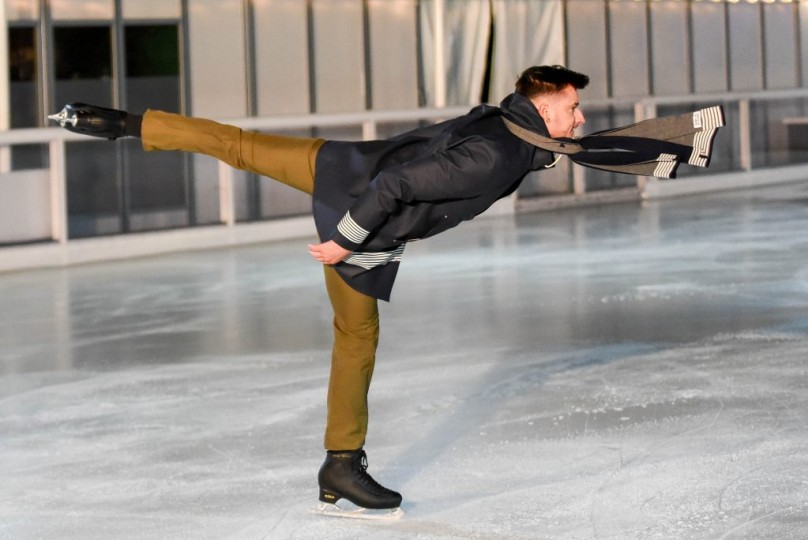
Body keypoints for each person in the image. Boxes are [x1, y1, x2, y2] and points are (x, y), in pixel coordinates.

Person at [49, 65, 724, 516]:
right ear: (544, 102)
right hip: (362, 209)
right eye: (572, 107)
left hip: (338, 160)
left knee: (239, 143)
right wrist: (346, 240)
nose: (579, 118)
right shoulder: (500, 150)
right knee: (357, 338)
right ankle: (340, 464)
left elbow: (525, 146)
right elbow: (399, 188)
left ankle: (120, 124)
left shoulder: (507, 122)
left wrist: (579, 146)